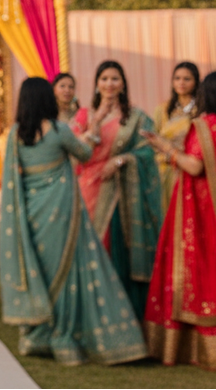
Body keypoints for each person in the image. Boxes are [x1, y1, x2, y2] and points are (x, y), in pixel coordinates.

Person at [0, 77, 146, 365]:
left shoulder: (16, 134)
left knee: (40, 272)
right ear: (47, 100)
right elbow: (86, 153)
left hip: (30, 215)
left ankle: (37, 336)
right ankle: (63, 338)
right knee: (64, 274)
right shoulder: (58, 131)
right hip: (61, 213)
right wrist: (96, 124)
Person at [73, 60, 162, 320]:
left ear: (123, 84)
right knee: (87, 250)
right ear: (97, 83)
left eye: (114, 79)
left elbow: (148, 150)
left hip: (120, 192)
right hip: (87, 188)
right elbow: (75, 152)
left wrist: (122, 160)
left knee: (114, 248)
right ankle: (89, 315)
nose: (109, 84)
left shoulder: (136, 117)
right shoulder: (83, 115)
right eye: (104, 79)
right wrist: (96, 122)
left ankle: (119, 315)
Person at [143, 71, 216, 370]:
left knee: (198, 271)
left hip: (200, 211)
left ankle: (191, 347)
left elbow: (195, 166)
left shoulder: (203, 126)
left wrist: (166, 149)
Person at [153, 62, 200, 210]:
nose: (181, 83)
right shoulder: (163, 110)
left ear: (196, 82)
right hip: (166, 171)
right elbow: (154, 140)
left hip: (192, 168)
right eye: (177, 78)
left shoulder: (201, 109)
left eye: (187, 79)